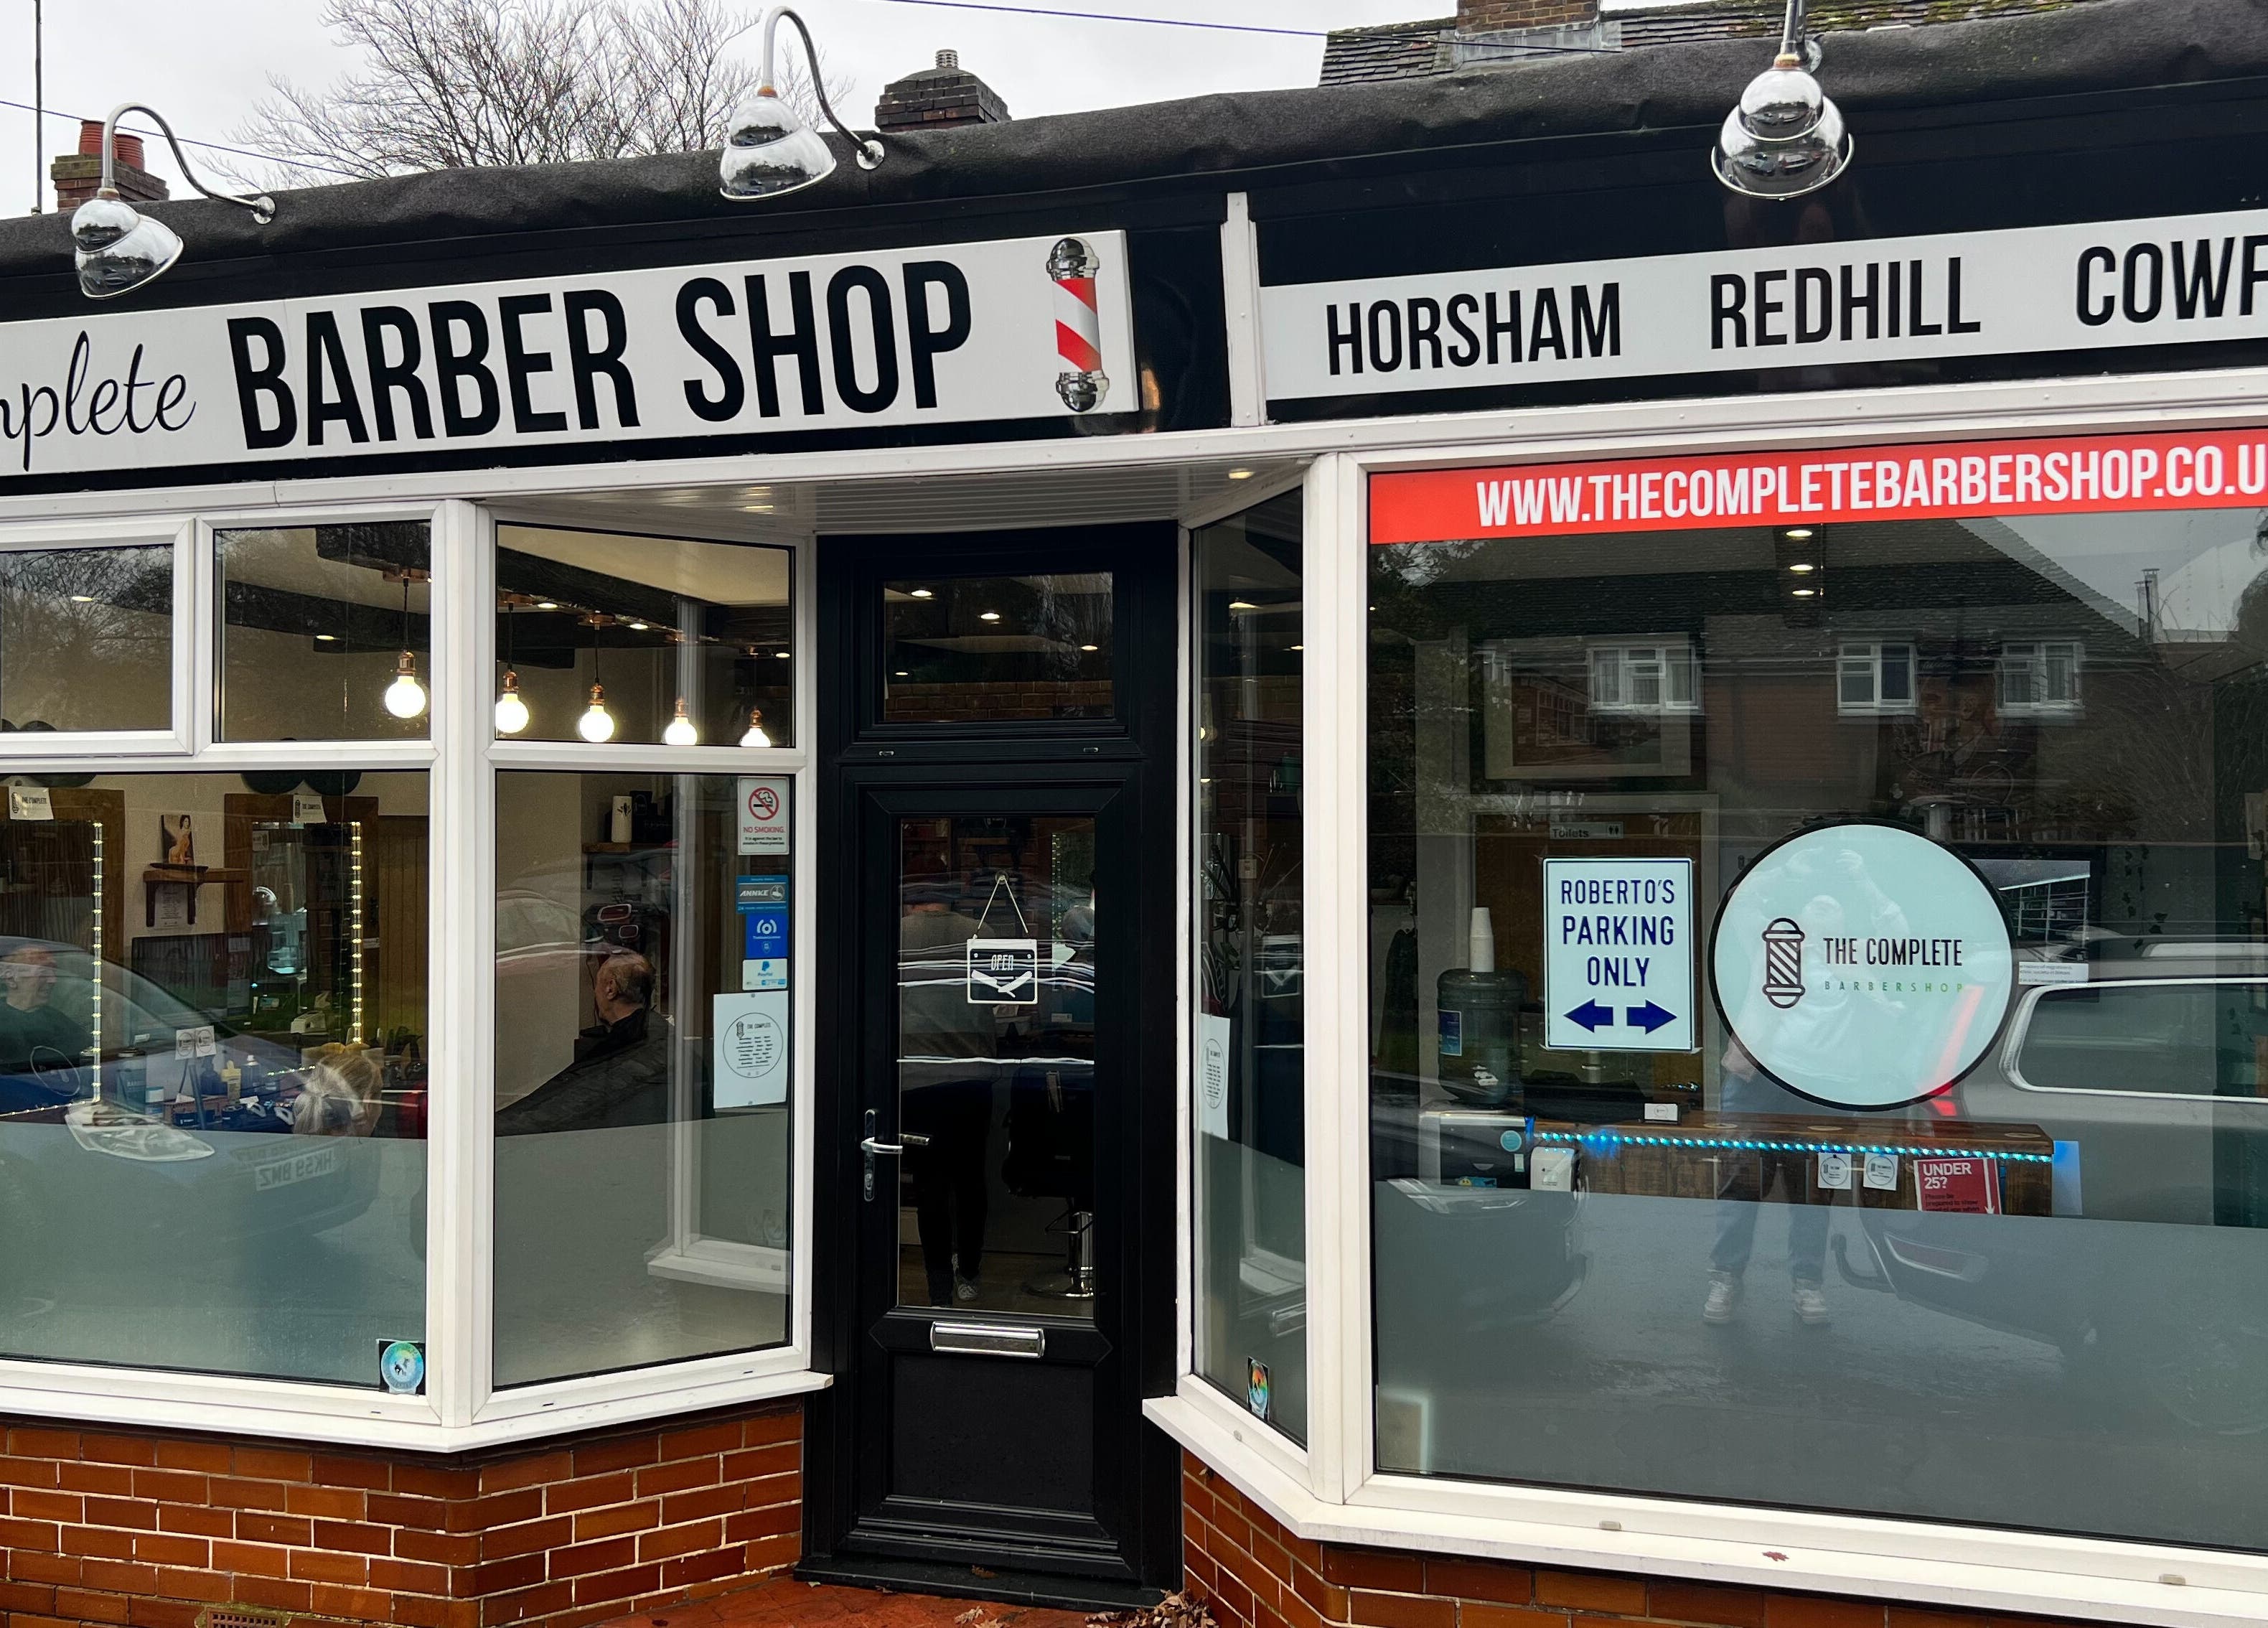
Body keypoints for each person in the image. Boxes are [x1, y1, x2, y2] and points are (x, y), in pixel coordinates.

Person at [899, 883, 994, 1306]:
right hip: (972, 1076)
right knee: (971, 1179)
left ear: (911, 901)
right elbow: (1006, 1000)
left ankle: (938, 1287)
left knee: (931, 1187)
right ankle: (969, 1273)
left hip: (917, 1079)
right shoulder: (981, 933)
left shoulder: (895, 934)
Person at [496, 950, 672, 1133]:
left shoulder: (639, 1047)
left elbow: (573, 1103)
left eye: (596, 985)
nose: (595, 993)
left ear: (610, 989)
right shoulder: (652, 1037)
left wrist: (495, 1128)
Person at [0, 945, 89, 1090]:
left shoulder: (63, 1024)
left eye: (53, 971)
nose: (52, 980)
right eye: (43, 973)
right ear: (10, 978)